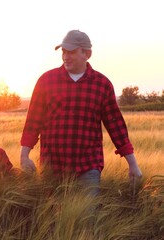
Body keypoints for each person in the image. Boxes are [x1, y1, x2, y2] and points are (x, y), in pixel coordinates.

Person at [20, 30, 142, 195]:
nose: (65, 56)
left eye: (71, 51)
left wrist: (132, 164)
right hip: (52, 166)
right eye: (63, 51)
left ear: (87, 54)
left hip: (88, 166)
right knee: (53, 218)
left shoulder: (102, 84)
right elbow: (33, 121)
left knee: (87, 217)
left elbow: (116, 126)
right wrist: (24, 155)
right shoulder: (46, 81)